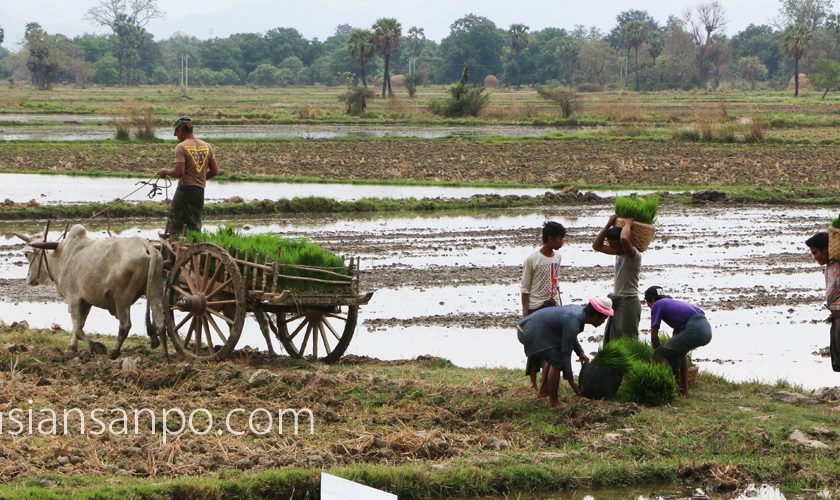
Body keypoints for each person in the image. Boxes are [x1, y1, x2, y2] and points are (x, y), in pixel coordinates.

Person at [516, 297, 614, 409]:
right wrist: (572, 383)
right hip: (530, 331)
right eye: (604, 319)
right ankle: (554, 402)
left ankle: (544, 391)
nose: (603, 322)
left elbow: (570, 336)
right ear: (597, 316)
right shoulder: (573, 321)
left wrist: (580, 352)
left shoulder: (578, 312)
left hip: (529, 328)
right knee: (557, 362)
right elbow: (566, 354)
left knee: (553, 357)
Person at [520, 221, 566, 389]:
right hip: (536, 306)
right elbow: (525, 287)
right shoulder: (532, 260)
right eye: (560, 239)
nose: (562, 242)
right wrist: (526, 310)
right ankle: (533, 382)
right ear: (550, 239)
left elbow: (555, 281)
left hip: (553, 304)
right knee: (535, 347)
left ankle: (546, 382)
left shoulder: (557, 257)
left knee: (552, 344)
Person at [644, 286, 712, 396]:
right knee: (681, 352)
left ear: (652, 300)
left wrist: (659, 353)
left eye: (648, 304)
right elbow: (677, 336)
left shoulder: (657, 305)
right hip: (706, 328)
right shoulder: (672, 303)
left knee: (659, 354)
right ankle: (684, 391)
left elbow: (654, 336)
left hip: (695, 327)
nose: (650, 307)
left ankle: (669, 390)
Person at [157, 116, 219, 237]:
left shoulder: (182, 147)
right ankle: (195, 246)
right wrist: (199, 179)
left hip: (185, 191)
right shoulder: (207, 146)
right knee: (194, 223)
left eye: (177, 134)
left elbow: (179, 172)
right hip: (199, 191)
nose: (177, 137)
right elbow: (215, 171)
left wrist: (165, 171)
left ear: (180, 131)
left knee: (176, 223)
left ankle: (174, 247)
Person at [592, 214, 642, 343]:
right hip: (618, 301)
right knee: (615, 337)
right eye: (612, 246)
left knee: (628, 339)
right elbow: (596, 246)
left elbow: (625, 239)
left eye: (617, 246)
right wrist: (609, 224)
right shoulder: (618, 252)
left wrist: (628, 223)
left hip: (629, 302)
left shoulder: (633, 255)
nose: (614, 249)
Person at [805, 232, 840, 372]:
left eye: (815, 253)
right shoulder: (830, 266)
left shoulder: (837, 265)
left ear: (826, 250)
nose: (814, 258)